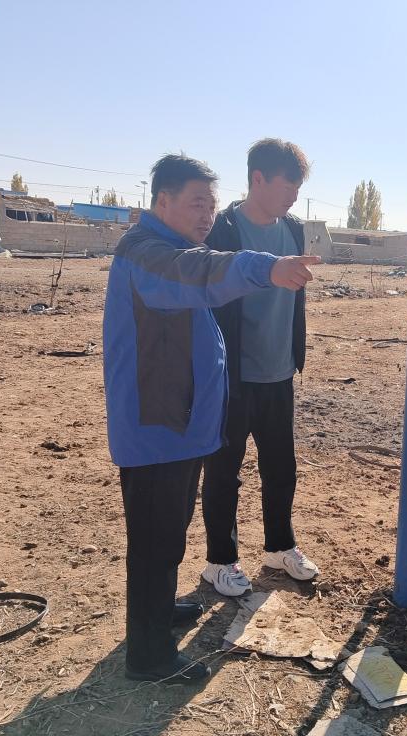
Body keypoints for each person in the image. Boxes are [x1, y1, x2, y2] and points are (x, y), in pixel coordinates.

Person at [102, 153, 318, 683]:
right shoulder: (149, 254)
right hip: (157, 427)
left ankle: (157, 612)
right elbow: (204, 273)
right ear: (162, 201)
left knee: (169, 534)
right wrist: (264, 267)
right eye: (196, 204)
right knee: (155, 542)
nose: (207, 216)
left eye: (211, 205)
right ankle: (149, 656)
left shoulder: (172, 248)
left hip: (178, 425)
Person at [199, 138, 317, 597]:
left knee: (281, 467)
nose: (293, 196)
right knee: (224, 471)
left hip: (279, 371)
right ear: (257, 179)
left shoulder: (294, 229)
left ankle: (279, 547)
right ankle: (220, 561)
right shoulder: (224, 230)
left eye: (298, 188)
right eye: (288, 186)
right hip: (232, 375)